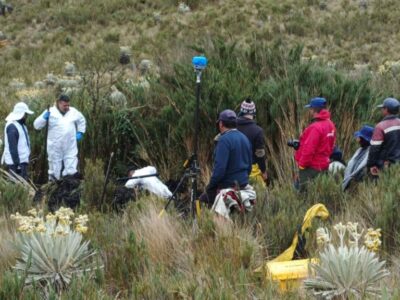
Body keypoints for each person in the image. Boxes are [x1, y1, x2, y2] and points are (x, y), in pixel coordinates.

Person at [200, 109, 252, 206]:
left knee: (202, 201)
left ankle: (211, 220)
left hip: (228, 186)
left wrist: (210, 186)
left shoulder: (223, 140)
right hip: (243, 185)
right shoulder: (245, 138)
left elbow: (220, 169)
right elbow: (249, 167)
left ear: (221, 124)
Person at [33, 94, 86, 181]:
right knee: (55, 166)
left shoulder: (73, 111)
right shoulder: (50, 112)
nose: (67, 107)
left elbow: (81, 120)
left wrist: (80, 131)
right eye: (65, 105)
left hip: (70, 144)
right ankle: (53, 184)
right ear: (59, 103)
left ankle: (70, 182)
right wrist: (43, 118)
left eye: (68, 105)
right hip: (55, 146)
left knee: (71, 163)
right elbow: (36, 125)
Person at [294, 97, 336, 191]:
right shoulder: (330, 124)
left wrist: (301, 166)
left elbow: (308, 150)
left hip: (311, 168)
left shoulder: (315, 127)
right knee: (319, 194)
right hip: (324, 166)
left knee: (304, 196)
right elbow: (332, 145)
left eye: (310, 109)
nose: (309, 111)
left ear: (314, 110)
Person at [236, 98, 268, 185]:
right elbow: (260, 154)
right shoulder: (257, 131)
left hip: (233, 172)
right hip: (251, 173)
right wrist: (264, 171)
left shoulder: (232, 127)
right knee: (259, 195)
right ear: (253, 113)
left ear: (241, 112)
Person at [367, 97, 400, 176]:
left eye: (383, 108)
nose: (381, 110)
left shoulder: (380, 127)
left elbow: (374, 149)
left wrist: (371, 165)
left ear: (386, 110)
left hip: (386, 165)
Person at [1, 102, 34, 179]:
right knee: (17, 186)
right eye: (26, 114)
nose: (27, 116)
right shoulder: (12, 127)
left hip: (22, 161)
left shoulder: (20, 124)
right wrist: (17, 166)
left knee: (23, 186)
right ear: (21, 114)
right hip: (15, 164)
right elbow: (13, 148)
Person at [342, 125, 374, 190]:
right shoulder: (360, 150)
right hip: (351, 182)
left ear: (366, 139)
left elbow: (361, 169)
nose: (358, 140)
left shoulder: (371, 152)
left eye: (361, 138)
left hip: (359, 184)